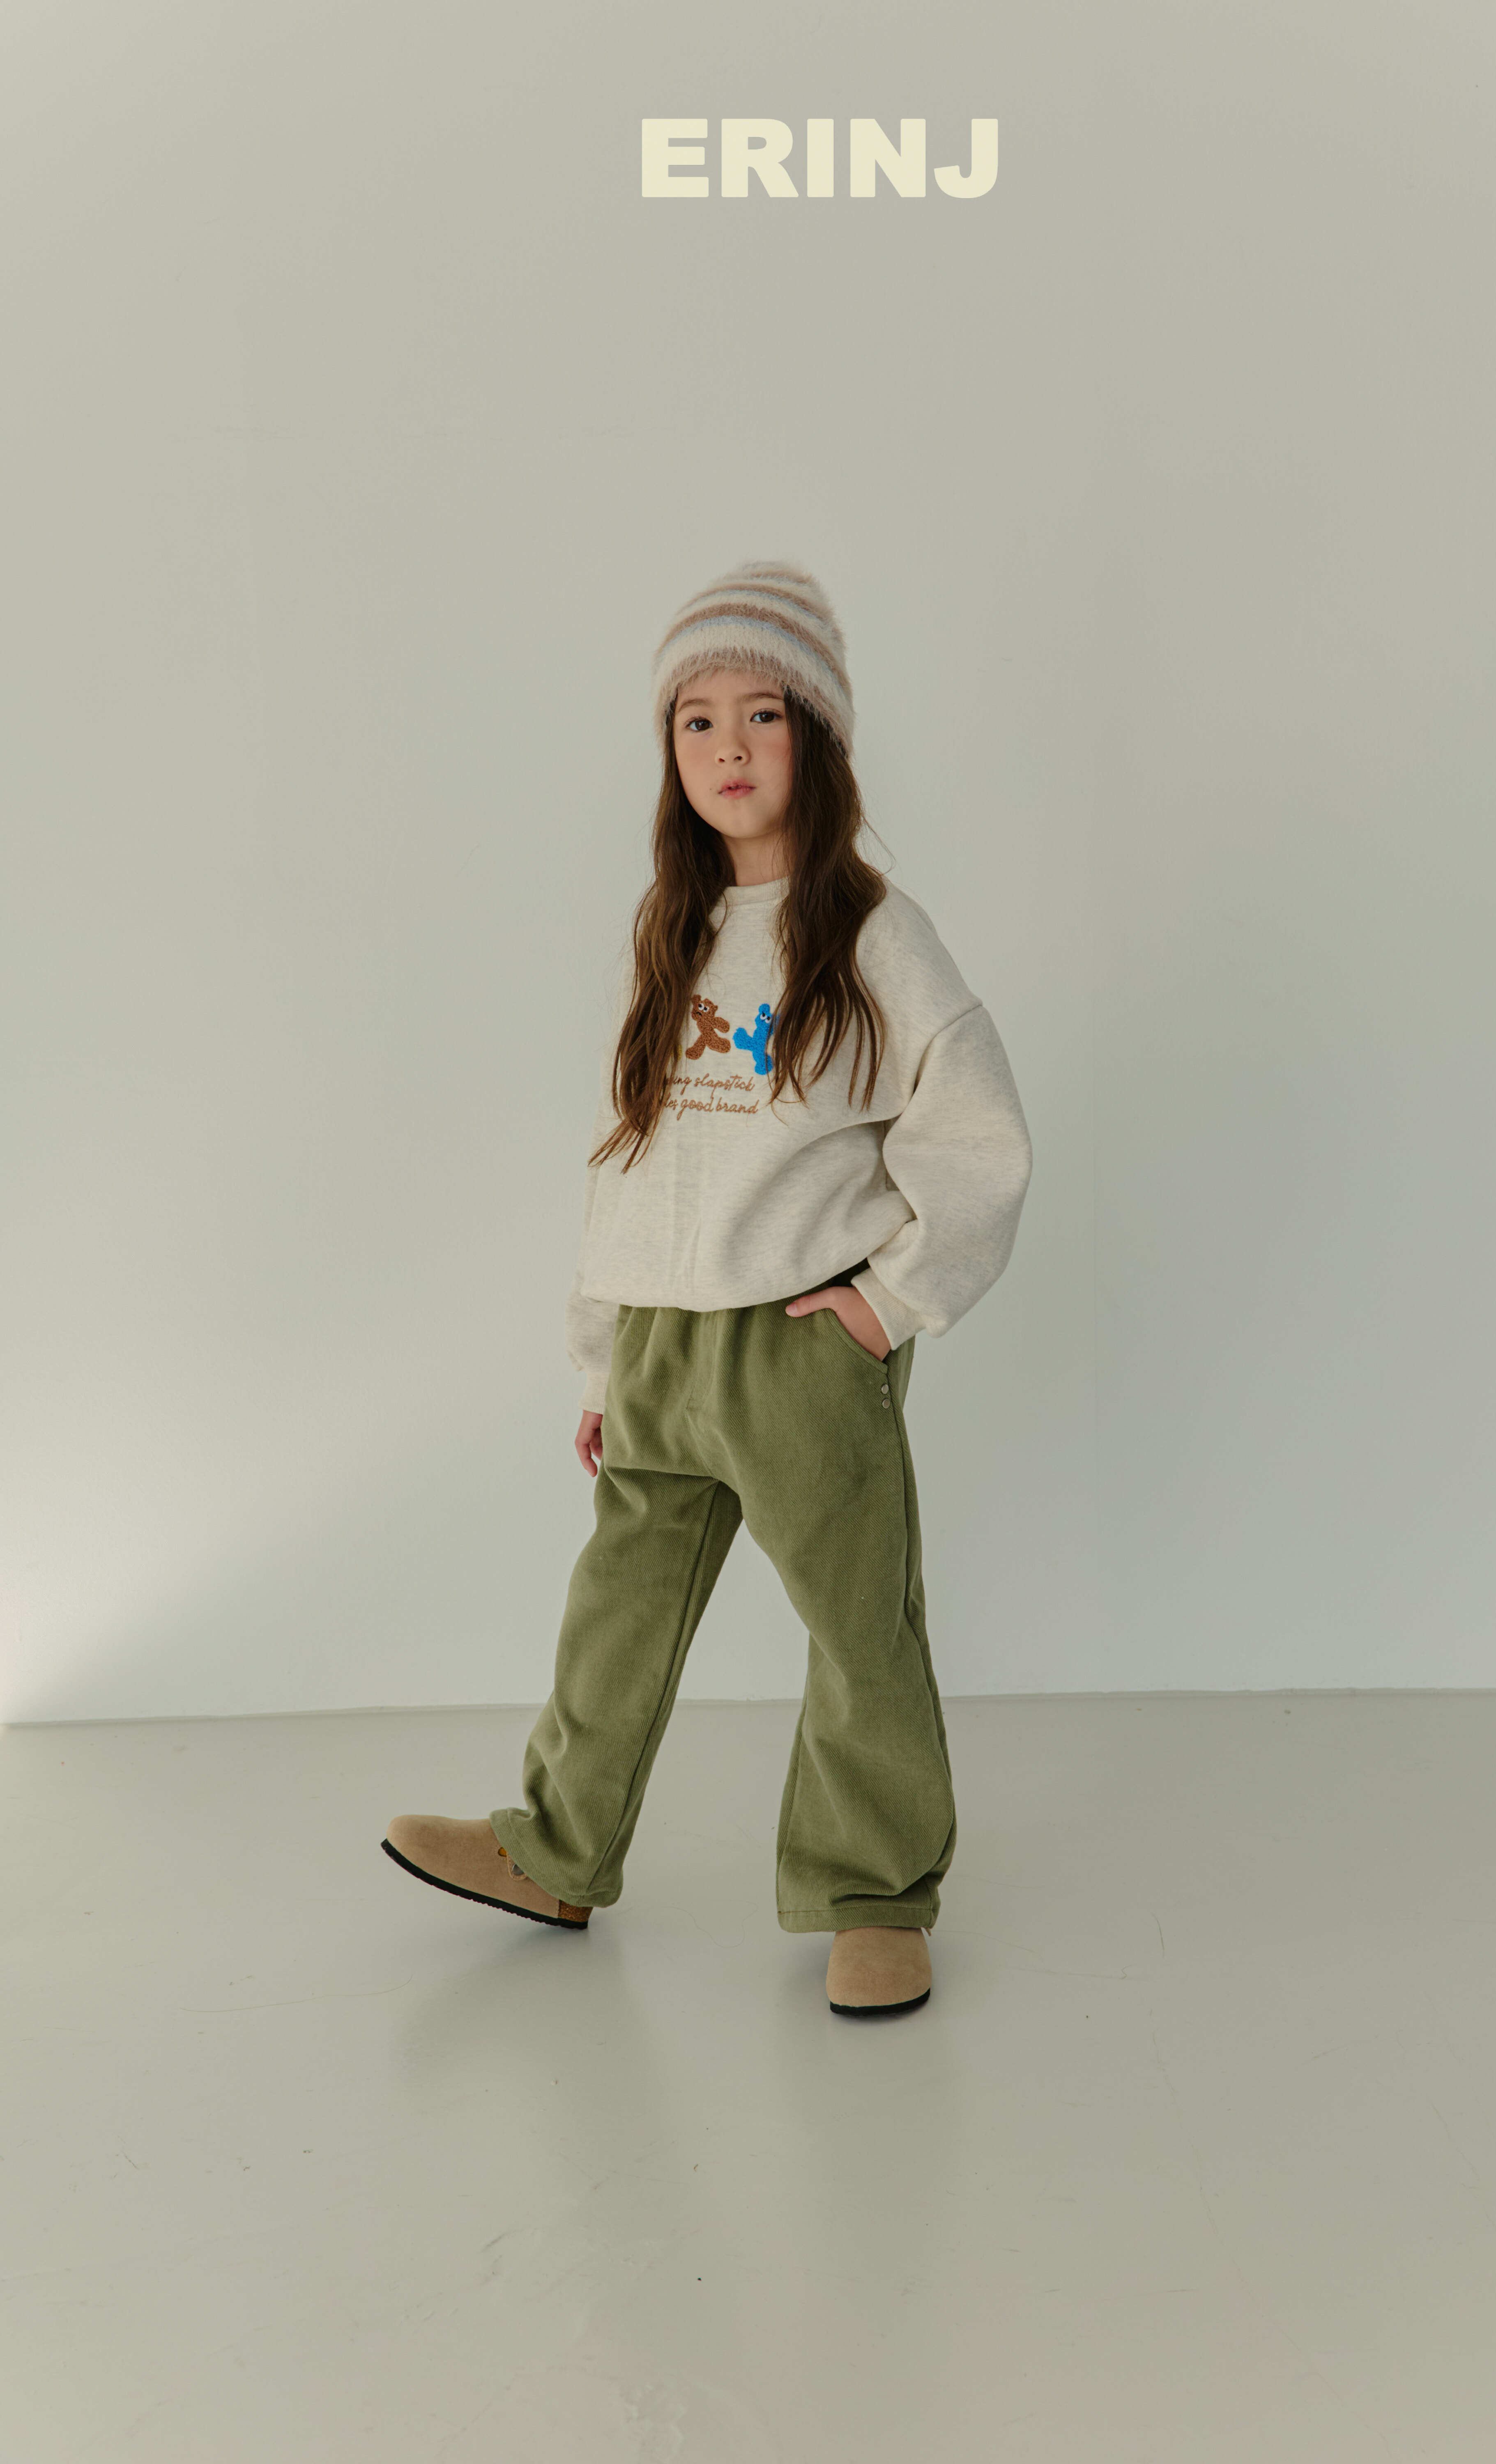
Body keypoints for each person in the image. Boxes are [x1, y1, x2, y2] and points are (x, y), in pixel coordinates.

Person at [383, 558, 1032, 2019]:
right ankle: (557, 1848)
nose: (730, 746)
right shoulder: (669, 929)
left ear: (820, 737)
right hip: (664, 1347)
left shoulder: (874, 933)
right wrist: (603, 1359)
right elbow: (635, 1156)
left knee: (858, 1625)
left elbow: (979, 1133)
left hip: (802, 1340)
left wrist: (891, 1302)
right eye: (697, 720)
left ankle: (874, 1893)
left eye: (763, 713)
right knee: (618, 1606)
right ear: (671, 753)